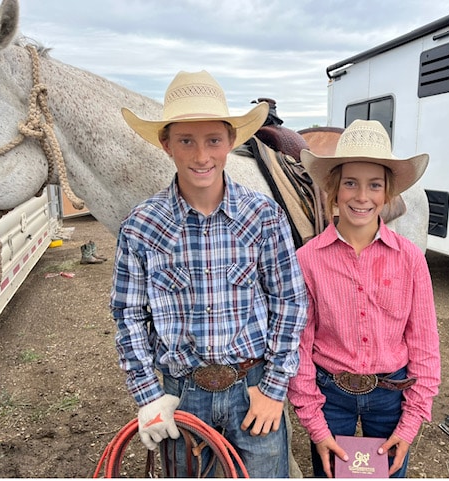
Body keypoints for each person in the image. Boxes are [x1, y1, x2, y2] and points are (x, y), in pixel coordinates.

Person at [110, 70, 308, 477]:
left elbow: (289, 301)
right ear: (166, 144)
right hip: (181, 393)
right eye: (186, 141)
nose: (201, 156)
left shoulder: (263, 216)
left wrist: (273, 388)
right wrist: (148, 394)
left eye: (213, 140)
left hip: (251, 387)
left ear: (231, 142)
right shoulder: (141, 226)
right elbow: (128, 316)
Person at [287, 119, 441, 478]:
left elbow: (424, 342)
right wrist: (315, 422)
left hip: (392, 395)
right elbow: (300, 345)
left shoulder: (410, 258)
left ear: (387, 194)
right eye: (350, 183)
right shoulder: (307, 260)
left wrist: (410, 422)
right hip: (330, 394)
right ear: (334, 189)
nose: (361, 196)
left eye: (374, 185)